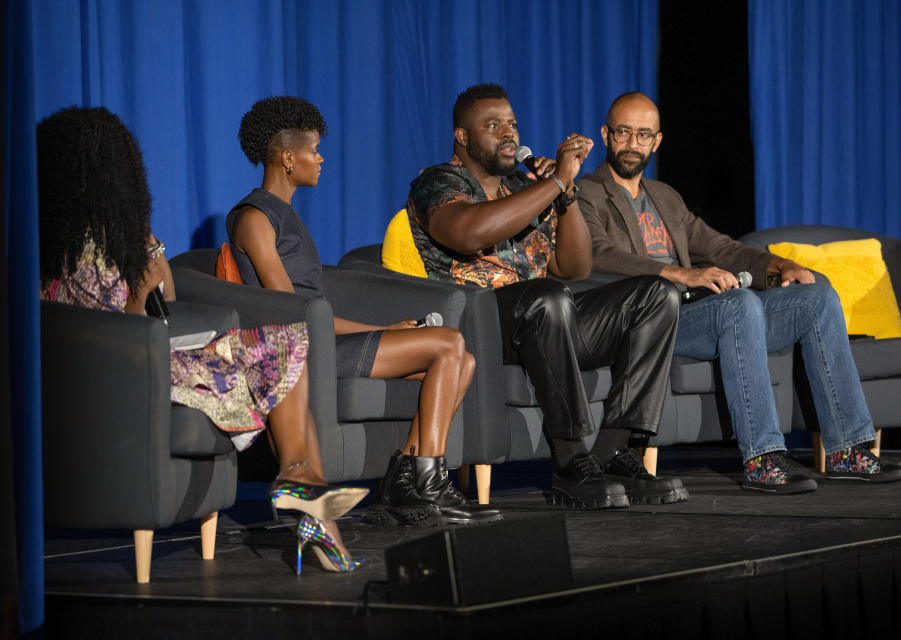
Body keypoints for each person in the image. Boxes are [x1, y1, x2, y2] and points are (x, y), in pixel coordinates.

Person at [37, 106, 365, 575]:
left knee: (282, 343)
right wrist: (140, 295)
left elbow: (166, 300)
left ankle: (299, 482)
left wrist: (149, 254)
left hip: (152, 347)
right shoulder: (65, 251)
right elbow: (115, 328)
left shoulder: (109, 236)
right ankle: (307, 502)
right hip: (123, 368)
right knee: (275, 355)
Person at [577, 92, 901, 493]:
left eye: (642, 135)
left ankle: (847, 450)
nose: (632, 145)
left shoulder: (665, 196)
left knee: (816, 296)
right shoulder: (586, 193)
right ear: (606, 134)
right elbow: (596, 254)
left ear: (657, 141)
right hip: (653, 321)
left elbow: (720, 248)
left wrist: (779, 266)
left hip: (704, 314)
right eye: (623, 133)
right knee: (739, 304)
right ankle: (762, 459)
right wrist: (680, 275)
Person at [405, 83, 686, 509]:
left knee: (657, 295)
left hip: (549, 322)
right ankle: (571, 461)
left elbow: (575, 268)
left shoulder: (526, 186)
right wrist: (554, 181)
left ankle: (617, 451)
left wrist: (566, 193)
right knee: (547, 296)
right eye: (494, 125)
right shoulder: (437, 182)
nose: (509, 135)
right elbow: (468, 233)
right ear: (462, 137)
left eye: (513, 125)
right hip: (483, 325)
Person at [227, 96, 500, 526]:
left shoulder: (286, 215)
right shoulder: (254, 217)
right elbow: (290, 311)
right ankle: (429, 481)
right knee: (449, 343)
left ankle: (402, 481)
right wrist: (380, 331)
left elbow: (311, 308)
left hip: (323, 339)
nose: (320, 159)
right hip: (300, 354)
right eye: (313, 150)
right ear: (286, 158)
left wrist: (384, 329)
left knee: (461, 362)